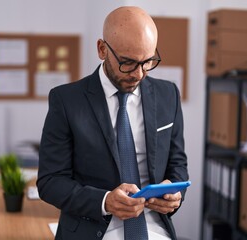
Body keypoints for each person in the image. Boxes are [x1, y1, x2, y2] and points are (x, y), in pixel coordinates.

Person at [37, 6, 189, 240]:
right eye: (128, 63)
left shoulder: (168, 94)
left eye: (148, 61)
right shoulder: (66, 100)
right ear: (102, 49)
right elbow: (50, 181)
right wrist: (105, 201)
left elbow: (178, 164)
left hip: (156, 229)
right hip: (93, 229)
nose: (138, 74)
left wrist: (174, 193)